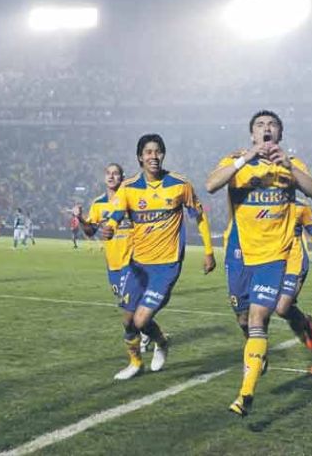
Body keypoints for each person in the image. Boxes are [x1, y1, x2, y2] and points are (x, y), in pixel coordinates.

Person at [205, 110, 312, 417]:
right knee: (244, 321)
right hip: (240, 253)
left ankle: (245, 395)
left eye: (272, 125)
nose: (266, 129)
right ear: (252, 135)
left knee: (261, 317)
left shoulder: (292, 164)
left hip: (276, 255)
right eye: (260, 125)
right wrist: (246, 159)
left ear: (279, 135)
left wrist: (289, 168)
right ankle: (259, 355)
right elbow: (211, 185)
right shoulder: (235, 161)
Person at [102, 134, 216, 380]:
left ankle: (162, 341)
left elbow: (199, 215)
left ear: (163, 155)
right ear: (140, 158)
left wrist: (209, 251)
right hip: (137, 264)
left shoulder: (179, 184)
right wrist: (110, 227)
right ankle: (135, 363)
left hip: (166, 265)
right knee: (128, 320)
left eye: (157, 151)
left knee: (142, 320)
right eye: (148, 152)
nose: (153, 156)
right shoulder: (129, 187)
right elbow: (116, 215)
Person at [73, 163, 151, 353]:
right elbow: (91, 231)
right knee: (130, 306)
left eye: (116, 174)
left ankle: (147, 337)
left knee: (130, 307)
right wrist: (81, 218)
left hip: (133, 261)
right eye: (108, 173)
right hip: (113, 263)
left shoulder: (131, 198)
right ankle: (148, 332)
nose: (111, 176)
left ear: (122, 177)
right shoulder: (98, 203)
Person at [274, 201, 312, 377]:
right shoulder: (266, 201)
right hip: (272, 262)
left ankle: (308, 327)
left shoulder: (301, 206)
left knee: (283, 308)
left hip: (295, 262)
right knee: (285, 311)